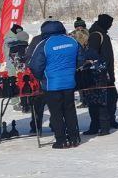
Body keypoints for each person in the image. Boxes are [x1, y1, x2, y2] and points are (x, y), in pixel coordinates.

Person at [27, 20, 81, 149]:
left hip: (51, 84)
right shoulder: (72, 41)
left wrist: (41, 77)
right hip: (69, 83)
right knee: (70, 111)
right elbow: (81, 59)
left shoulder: (44, 44)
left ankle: (61, 140)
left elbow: (35, 65)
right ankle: (74, 138)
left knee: (56, 113)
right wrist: (70, 70)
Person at [82, 14, 117, 135]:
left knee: (111, 98)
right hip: (98, 74)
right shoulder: (96, 35)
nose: (111, 25)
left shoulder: (101, 33)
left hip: (106, 73)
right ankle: (99, 126)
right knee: (98, 101)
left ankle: (109, 122)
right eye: (110, 23)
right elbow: (93, 55)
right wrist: (102, 70)